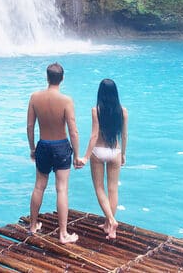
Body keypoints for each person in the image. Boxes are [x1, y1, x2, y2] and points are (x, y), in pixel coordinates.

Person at [27, 62, 83, 244]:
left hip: (43, 144)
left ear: (47, 77)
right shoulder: (66, 100)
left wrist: (32, 148)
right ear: (62, 79)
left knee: (39, 186)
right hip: (61, 146)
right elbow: (73, 131)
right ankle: (63, 234)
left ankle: (33, 226)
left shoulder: (35, 97)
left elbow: (30, 126)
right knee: (62, 189)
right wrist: (76, 154)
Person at [78, 78, 128, 240]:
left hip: (98, 152)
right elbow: (125, 135)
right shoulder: (123, 111)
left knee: (99, 188)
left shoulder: (96, 110)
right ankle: (109, 226)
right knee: (113, 189)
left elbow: (94, 135)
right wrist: (124, 154)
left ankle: (111, 221)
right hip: (115, 151)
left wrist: (85, 156)